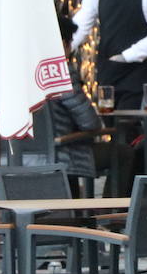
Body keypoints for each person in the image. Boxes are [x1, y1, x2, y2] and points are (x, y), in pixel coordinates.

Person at [52, 17, 135, 197]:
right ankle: (109, 213)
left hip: (23, 159)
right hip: (63, 154)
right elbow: (90, 122)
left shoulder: (20, 72)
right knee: (124, 153)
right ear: (64, 44)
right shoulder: (60, 73)